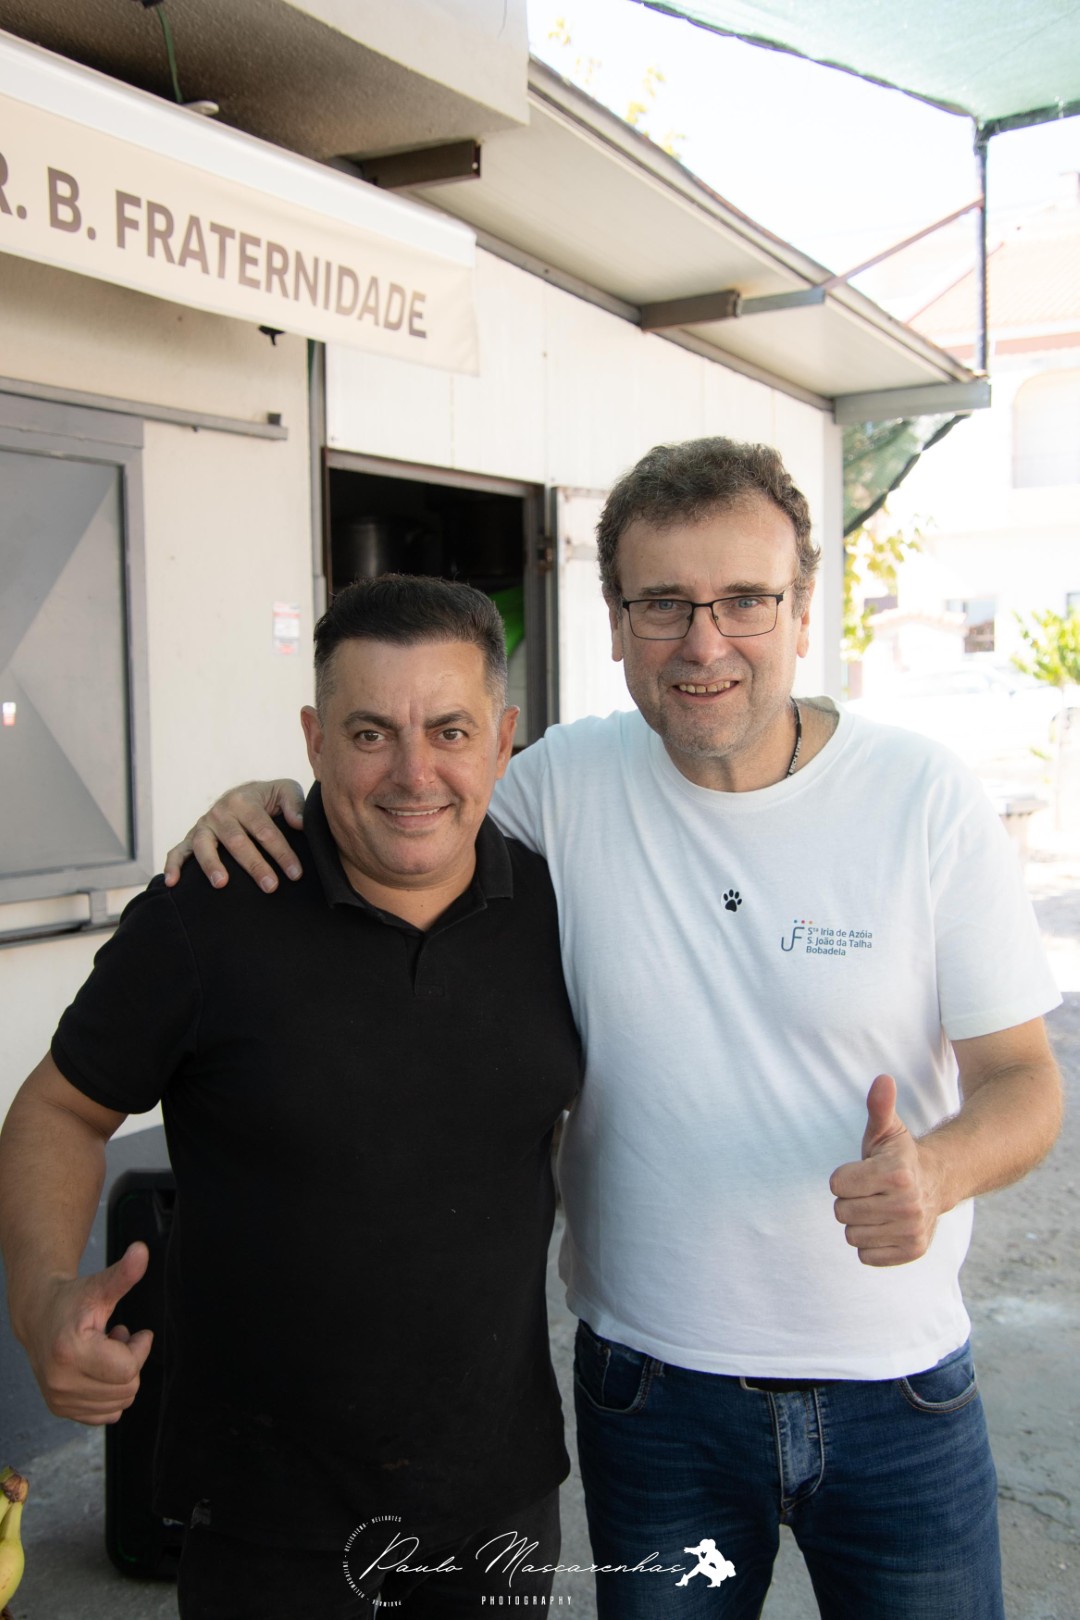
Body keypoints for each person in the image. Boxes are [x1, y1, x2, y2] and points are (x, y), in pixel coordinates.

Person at [163, 437, 1063, 1620]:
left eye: (744, 600)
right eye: (663, 604)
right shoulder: (562, 786)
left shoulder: (922, 798)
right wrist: (268, 800)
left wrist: (937, 1172)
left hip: (897, 1389)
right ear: (617, 623)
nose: (704, 643)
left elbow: (1024, 1081)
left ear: (802, 610)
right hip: (655, 1397)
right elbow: (408, 792)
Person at [0, 576, 583, 1619]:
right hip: (264, 1520)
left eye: (449, 731)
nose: (413, 773)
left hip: (495, 1503)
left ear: (502, 742)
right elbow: (60, 1110)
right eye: (370, 733)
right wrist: (41, 1298)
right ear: (314, 741)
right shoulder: (210, 911)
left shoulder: (562, 913)